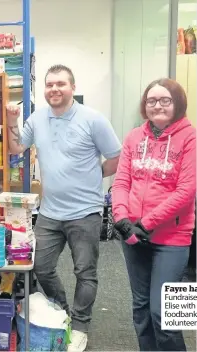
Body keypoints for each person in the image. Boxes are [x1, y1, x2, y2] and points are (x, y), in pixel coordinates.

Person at [6, 64, 121, 351]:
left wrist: (95, 175)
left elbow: (117, 157)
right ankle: (62, 310)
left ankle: (80, 325)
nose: (54, 89)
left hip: (85, 212)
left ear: (72, 87)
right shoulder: (37, 117)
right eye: (49, 84)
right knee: (40, 267)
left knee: (85, 271)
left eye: (60, 84)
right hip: (49, 211)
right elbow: (16, 149)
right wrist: (11, 121)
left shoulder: (93, 119)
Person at [112, 78, 196, 351]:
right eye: (151, 101)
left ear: (177, 103)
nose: (157, 106)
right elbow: (121, 182)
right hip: (133, 236)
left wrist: (145, 224)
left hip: (173, 238)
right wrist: (122, 219)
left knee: (166, 313)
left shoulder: (191, 137)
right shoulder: (134, 136)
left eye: (164, 100)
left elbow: (186, 192)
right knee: (141, 308)